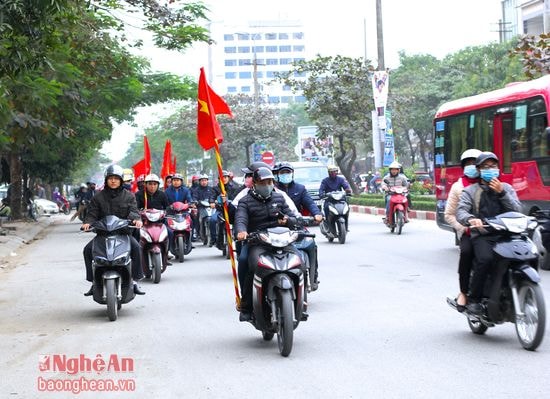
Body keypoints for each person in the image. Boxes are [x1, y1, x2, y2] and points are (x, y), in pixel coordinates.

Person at [456, 152, 522, 315]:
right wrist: (472, 219)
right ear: (478, 170)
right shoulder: (470, 191)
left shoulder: (507, 188)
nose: (490, 170)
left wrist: (502, 193)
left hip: (507, 234)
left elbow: (518, 210)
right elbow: (461, 211)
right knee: (485, 259)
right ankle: (475, 299)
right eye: (485, 167)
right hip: (484, 235)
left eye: (493, 166)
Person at [235, 167, 300, 321]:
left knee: (299, 263)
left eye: (269, 182)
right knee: (249, 264)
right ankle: (247, 305)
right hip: (257, 242)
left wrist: (288, 221)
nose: (267, 185)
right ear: (255, 184)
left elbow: (292, 217)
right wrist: (241, 231)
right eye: (263, 182)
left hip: (281, 241)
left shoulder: (279, 198)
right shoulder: (245, 201)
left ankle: (300, 301)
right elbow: (240, 219)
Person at [81, 165, 145, 296]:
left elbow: (133, 211)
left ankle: (134, 281)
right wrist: (87, 223)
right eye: (111, 178)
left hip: (123, 234)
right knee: (87, 250)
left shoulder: (129, 196)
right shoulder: (98, 197)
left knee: (137, 248)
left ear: (121, 180)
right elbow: (92, 213)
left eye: (116, 178)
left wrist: (136, 220)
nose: (113, 181)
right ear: (106, 180)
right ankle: (94, 282)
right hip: (102, 235)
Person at [274, 161, 323, 290]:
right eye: (283, 173)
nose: (286, 175)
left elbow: (310, 203)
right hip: (276, 227)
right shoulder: (273, 189)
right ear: (276, 175)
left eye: (288, 172)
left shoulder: (300, 189)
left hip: (296, 224)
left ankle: (313, 276)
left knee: (311, 244)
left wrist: (317, 214)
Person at [443, 149, 482, 311]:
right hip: (468, 232)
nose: (472, 166)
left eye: (475, 163)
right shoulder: (458, 187)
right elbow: (449, 214)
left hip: (491, 230)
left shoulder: (491, 183)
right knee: (466, 253)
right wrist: (463, 228)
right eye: (469, 163)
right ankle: (464, 292)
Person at [209, 170, 241, 246]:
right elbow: (212, 197)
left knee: (238, 221)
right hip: (220, 211)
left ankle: (238, 240)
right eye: (222, 177)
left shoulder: (234, 188)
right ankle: (213, 239)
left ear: (228, 178)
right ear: (219, 179)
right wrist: (212, 202)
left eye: (226, 177)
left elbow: (236, 198)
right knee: (212, 220)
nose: (224, 179)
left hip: (231, 211)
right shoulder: (215, 188)